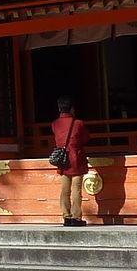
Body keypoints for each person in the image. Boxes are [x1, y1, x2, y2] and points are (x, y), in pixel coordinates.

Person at [52, 96, 91, 227]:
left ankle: (66, 216)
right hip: (76, 158)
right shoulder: (78, 123)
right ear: (72, 109)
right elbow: (85, 138)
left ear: (59, 108)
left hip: (63, 160)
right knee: (76, 189)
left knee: (64, 190)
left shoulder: (55, 124)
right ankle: (76, 217)